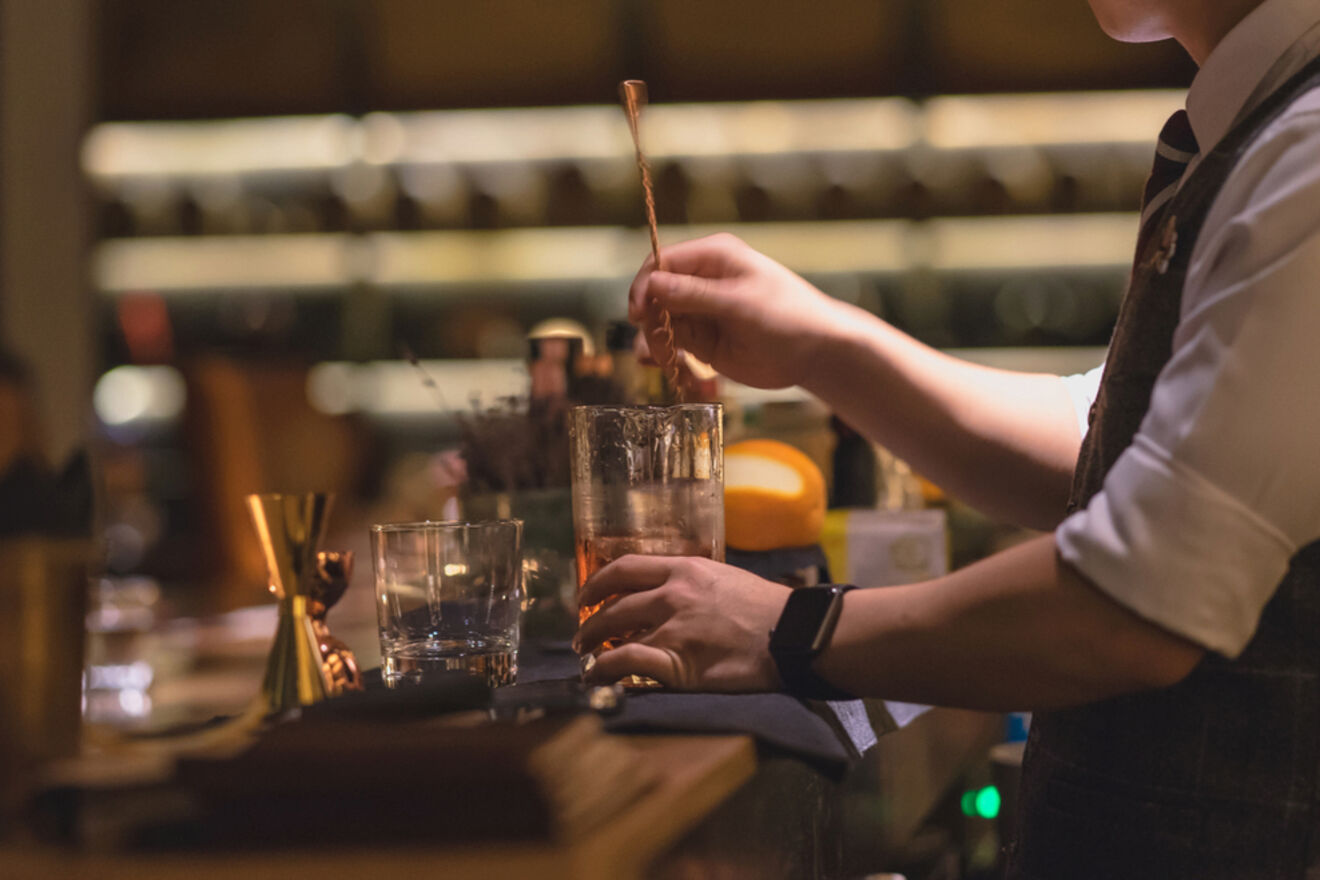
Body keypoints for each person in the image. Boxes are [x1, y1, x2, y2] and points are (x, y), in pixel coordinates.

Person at [573, 0, 1320, 876]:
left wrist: (786, 630)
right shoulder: (1265, 121)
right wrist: (821, 342)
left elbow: (1136, 605)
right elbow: (1131, 451)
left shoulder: (1305, 153)